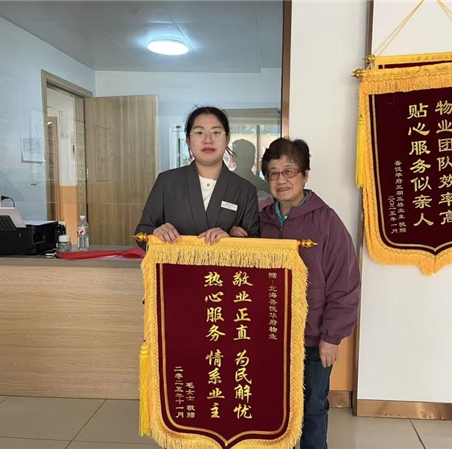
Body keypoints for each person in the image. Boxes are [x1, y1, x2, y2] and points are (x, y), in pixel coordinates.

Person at [260, 137, 360, 449]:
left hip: (313, 339)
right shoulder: (260, 218)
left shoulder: (326, 221)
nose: (281, 180)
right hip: (268, 336)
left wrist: (332, 337)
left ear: (304, 175)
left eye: (289, 171)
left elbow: (345, 283)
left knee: (312, 406)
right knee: (269, 405)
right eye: (273, 173)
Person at [135, 106, 260, 245]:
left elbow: (257, 244)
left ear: (227, 139)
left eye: (216, 132)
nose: (208, 140)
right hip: (177, 260)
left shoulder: (245, 190)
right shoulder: (167, 182)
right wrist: (155, 233)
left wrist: (231, 242)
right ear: (188, 140)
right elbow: (142, 233)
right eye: (199, 132)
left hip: (224, 261)